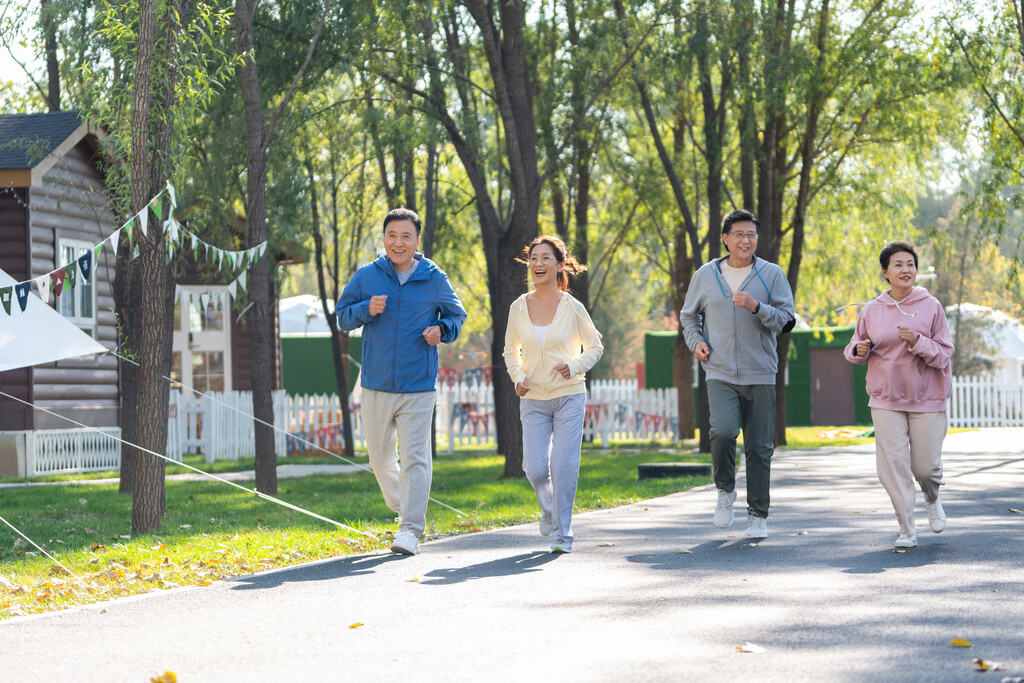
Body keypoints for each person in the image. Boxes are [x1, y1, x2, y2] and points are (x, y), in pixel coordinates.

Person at [336, 208, 467, 555]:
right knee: (379, 460)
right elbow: (342, 316)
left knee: (415, 459)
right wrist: (366, 308)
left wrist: (441, 329)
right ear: (384, 239)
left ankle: (410, 528)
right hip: (376, 382)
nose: (399, 242)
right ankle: (405, 503)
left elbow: (457, 315)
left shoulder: (434, 278)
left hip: (418, 384)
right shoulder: (368, 276)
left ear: (416, 241)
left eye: (406, 236)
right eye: (392, 235)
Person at [679, 209, 796, 539]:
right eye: (740, 234)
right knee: (723, 431)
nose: (746, 240)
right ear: (726, 239)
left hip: (761, 371)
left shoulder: (770, 274)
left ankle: (758, 514)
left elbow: (787, 321)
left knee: (760, 448)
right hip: (719, 369)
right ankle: (725, 490)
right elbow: (689, 317)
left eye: (752, 235)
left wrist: (759, 308)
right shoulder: (705, 275)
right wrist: (697, 342)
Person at [843, 241, 952, 549]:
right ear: (885, 272)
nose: (906, 269)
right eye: (899, 265)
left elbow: (943, 354)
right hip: (885, 398)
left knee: (926, 468)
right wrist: (858, 349)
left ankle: (932, 497)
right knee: (893, 466)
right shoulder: (872, 309)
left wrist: (918, 341)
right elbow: (855, 346)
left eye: (911, 264)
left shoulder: (931, 306)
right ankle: (906, 529)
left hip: (927, 397)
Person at [502, 235, 603, 554]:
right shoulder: (518, 307)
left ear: (560, 265)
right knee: (533, 467)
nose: (538, 264)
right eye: (533, 258)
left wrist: (575, 366)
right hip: (532, 399)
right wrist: (517, 376)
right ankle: (548, 510)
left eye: (546, 258)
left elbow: (596, 346)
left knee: (563, 465)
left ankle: (563, 532)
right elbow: (509, 352)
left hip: (569, 396)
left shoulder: (572, 307)